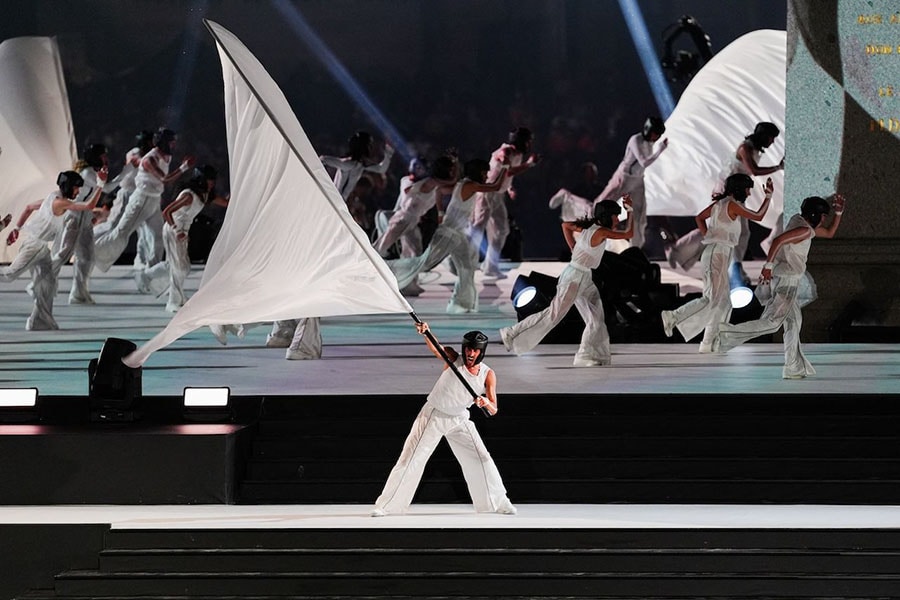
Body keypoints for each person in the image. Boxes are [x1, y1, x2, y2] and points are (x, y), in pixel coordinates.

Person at [265, 131, 395, 359]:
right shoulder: (349, 164)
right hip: (330, 215)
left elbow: (379, 169)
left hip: (333, 215)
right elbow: (325, 159)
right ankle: (293, 335)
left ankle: (283, 330)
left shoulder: (357, 166)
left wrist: (389, 152)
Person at [371, 321, 516, 516]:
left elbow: (494, 408)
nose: (470, 354)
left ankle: (499, 503)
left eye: (474, 350)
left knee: (482, 458)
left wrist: (484, 403)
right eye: (467, 349)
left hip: (459, 419)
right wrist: (426, 332)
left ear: (481, 352)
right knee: (411, 459)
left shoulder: (488, 375)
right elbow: (437, 349)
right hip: (434, 415)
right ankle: (386, 506)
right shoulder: (453, 358)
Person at [715, 194, 845, 379]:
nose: (825, 220)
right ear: (815, 215)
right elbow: (777, 241)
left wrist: (839, 212)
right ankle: (726, 334)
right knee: (772, 322)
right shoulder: (804, 230)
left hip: (786, 279)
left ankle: (793, 367)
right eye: (823, 216)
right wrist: (767, 267)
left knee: (794, 323)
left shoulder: (798, 221)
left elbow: (830, 233)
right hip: (787, 282)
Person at [500, 196, 634, 367]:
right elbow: (629, 234)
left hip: (583, 277)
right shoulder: (600, 231)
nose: (617, 219)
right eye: (615, 216)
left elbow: (565, 226)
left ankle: (587, 355)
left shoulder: (591, 227)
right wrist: (630, 210)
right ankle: (511, 333)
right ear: (607, 216)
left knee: (596, 318)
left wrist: (573, 247)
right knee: (553, 316)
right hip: (574, 278)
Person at [660, 174, 774, 353]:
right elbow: (758, 216)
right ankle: (673, 316)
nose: (749, 193)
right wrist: (768, 196)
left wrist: (709, 236)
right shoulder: (731, 204)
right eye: (748, 189)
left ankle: (708, 342)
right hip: (717, 253)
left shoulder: (720, 204)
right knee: (713, 299)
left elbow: (699, 218)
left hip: (719, 252)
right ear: (740, 189)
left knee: (723, 302)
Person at [387, 158, 508, 313]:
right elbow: (495, 186)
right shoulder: (469, 185)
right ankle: (387, 270)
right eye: (485, 173)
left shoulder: (461, 184)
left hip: (458, 236)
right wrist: (505, 167)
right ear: (477, 172)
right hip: (448, 234)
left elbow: (439, 190)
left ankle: (461, 304)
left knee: (467, 268)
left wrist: (440, 212)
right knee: (423, 264)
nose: (486, 176)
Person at [668, 121, 783, 273]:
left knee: (740, 232)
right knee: (721, 230)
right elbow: (753, 170)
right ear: (763, 136)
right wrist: (778, 167)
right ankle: (679, 251)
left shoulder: (753, 149)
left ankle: (734, 266)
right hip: (726, 191)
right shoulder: (745, 148)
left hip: (737, 193)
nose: (772, 141)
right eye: (771, 137)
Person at [1, 171, 103, 330]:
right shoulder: (59, 202)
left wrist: (17, 229)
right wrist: (101, 184)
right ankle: (39, 319)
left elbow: (28, 207)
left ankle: (40, 320)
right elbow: (88, 206)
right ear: (68, 186)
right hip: (34, 246)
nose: (78, 192)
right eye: (76, 188)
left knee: (47, 282)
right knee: (9, 275)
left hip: (41, 248)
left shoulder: (52, 197)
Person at [93, 128, 194, 280]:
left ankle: (150, 274)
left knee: (156, 236)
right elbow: (164, 179)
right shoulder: (148, 159)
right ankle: (93, 252)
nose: (174, 145)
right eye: (172, 142)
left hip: (153, 199)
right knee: (121, 232)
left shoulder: (166, 156)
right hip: (140, 199)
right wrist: (184, 167)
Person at [136, 165, 217, 312]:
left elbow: (225, 202)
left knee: (177, 266)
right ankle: (173, 301)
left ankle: (147, 276)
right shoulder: (189, 196)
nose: (212, 183)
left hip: (183, 232)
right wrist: (177, 230)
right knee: (179, 268)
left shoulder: (204, 195)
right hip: (173, 230)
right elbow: (167, 212)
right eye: (210, 180)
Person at [472, 126, 540, 278]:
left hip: (498, 195)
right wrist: (529, 164)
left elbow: (507, 176)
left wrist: (509, 188)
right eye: (528, 141)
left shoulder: (518, 154)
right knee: (477, 227)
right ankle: (456, 259)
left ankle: (490, 265)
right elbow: (507, 170)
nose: (529, 144)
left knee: (502, 229)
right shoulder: (506, 151)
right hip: (487, 192)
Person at [53, 143, 116, 305]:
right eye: (103, 156)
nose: (106, 159)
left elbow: (103, 188)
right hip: (75, 217)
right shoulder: (88, 173)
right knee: (65, 255)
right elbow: (105, 188)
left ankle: (79, 293)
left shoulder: (92, 172)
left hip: (83, 217)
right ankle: (39, 282)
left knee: (87, 257)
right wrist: (126, 174)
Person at [595, 117, 668, 252]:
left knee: (639, 216)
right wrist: (661, 150)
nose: (657, 137)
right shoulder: (636, 140)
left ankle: (635, 250)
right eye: (656, 134)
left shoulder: (650, 143)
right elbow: (644, 162)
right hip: (624, 178)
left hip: (638, 180)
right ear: (649, 130)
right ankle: (588, 234)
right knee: (602, 204)